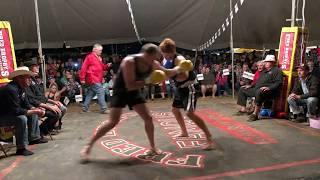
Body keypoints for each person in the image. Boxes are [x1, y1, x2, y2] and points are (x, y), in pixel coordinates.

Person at [80, 43, 182, 161]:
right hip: (121, 90)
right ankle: (89, 145)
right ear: (145, 55)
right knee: (112, 122)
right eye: (153, 57)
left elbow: (167, 73)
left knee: (148, 118)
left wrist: (179, 68)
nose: (155, 60)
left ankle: (153, 147)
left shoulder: (153, 63)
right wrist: (149, 80)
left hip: (134, 91)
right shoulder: (129, 61)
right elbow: (130, 84)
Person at [159, 38, 215, 150]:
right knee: (175, 110)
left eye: (167, 55)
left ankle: (209, 137)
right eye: (164, 55)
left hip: (190, 87)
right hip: (179, 88)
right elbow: (167, 74)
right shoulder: (165, 60)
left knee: (189, 113)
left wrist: (169, 73)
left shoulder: (179, 59)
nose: (165, 57)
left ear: (172, 51)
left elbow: (183, 76)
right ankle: (184, 131)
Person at [0, 67, 47, 156]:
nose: (30, 80)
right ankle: (21, 148)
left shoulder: (22, 88)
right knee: (21, 119)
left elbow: (27, 104)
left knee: (33, 112)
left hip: (10, 114)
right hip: (3, 116)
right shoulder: (11, 89)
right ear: (19, 78)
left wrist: (36, 109)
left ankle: (34, 138)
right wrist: (35, 111)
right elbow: (16, 111)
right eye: (28, 77)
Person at [236, 55, 283, 121]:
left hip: (269, 91)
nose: (265, 63)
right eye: (265, 62)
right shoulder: (264, 71)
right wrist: (251, 85)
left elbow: (278, 82)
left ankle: (255, 114)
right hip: (257, 88)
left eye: (267, 62)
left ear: (272, 62)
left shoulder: (277, 70)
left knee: (259, 92)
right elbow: (257, 81)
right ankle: (243, 109)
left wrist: (269, 87)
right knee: (242, 89)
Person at [79, 44, 111, 114]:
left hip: (97, 78)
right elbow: (83, 68)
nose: (101, 52)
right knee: (100, 91)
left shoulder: (98, 57)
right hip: (92, 78)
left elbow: (102, 67)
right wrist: (82, 78)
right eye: (100, 50)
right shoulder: (89, 57)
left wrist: (107, 66)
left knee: (91, 93)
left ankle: (85, 108)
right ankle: (104, 109)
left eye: (101, 50)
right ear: (94, 50)